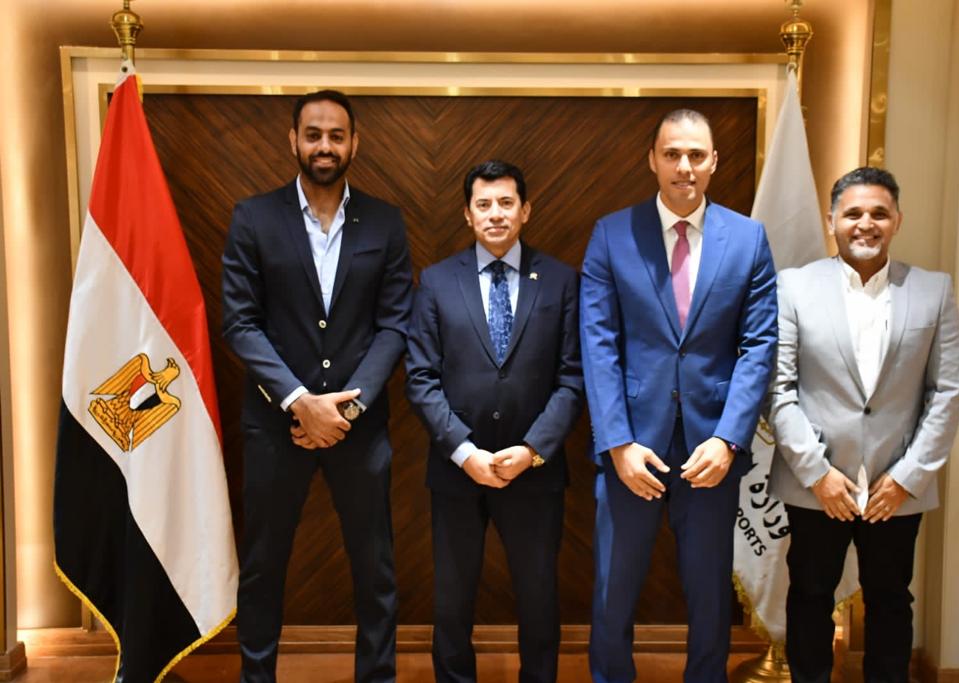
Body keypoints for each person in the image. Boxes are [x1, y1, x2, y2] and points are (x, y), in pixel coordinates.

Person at [579, 109, 778, 683]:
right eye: (672, 154)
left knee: (711, 592)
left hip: (711, 450)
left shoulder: (748, 238)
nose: (684, 166)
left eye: (695, 155)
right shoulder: (612, 234)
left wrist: (729, 439)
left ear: (714, 161)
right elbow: (598, 344)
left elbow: (758, 345)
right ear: (653, 160)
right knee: (614, 588)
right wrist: (617, 443)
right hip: (631, 448)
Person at [222, 89, 412, 683]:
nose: (324, 146)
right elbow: (240, 323)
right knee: (263, 567)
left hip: (360, 427)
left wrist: (344, 410)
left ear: (354, 143)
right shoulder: (253, 217)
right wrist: (301, 402)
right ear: (293, 141)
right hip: (275, 426)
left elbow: (395, 326)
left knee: (375, 569)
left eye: (336, 135)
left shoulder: (385, 221)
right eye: (313, 134)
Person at [767, 166, 959, 683]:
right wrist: (817, 473)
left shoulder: (934, 290)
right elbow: (778, 390)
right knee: (809, 597)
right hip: (818, 485)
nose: (865, 223)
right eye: (853, 213)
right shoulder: (793, 287)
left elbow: (946, 391)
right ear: (831, 220)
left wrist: (906, 477)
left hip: (894, 488)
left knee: (891, 600)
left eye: (879, 213)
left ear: (897, 220)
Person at [405, 160, 584, 683]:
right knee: (452, 600)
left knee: (539, 598)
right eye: (483, 204)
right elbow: (420, 377)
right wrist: (464, 452)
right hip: (457, 469)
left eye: (506, 202)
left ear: (526, 210)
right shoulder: (437, 282)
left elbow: (573, 378)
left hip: (535, 469)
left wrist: (533, 449)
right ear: (467, 214)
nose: (496, 214)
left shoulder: (561, 281)